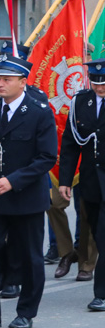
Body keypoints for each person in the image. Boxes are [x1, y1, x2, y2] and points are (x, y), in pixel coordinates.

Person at [0, 54, 57, 328]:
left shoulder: (39, 111)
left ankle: (26, 311)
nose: (0, 84)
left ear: (22, 81)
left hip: (26, 196)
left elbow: (47, 157)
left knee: (30, 256)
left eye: (6, 79)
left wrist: (13, 181)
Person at [58, 58, 105, 311]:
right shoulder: (80, 102)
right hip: (89, 181)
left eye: (104, 83)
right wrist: (65, 180)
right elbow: (70, 144)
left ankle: (101, 294)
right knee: (97, 232)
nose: (100, 88)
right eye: (96, 83)